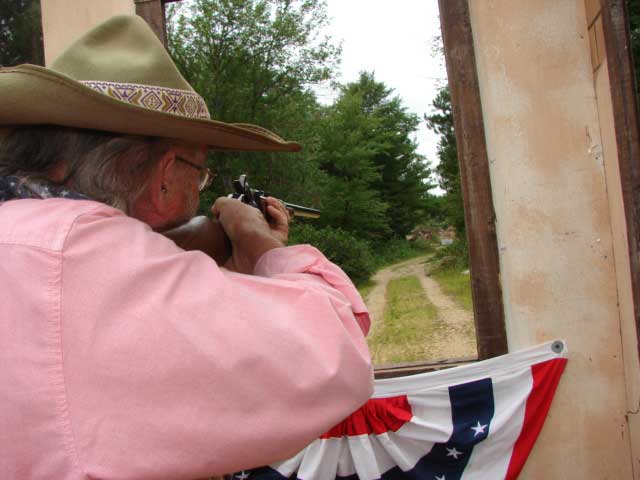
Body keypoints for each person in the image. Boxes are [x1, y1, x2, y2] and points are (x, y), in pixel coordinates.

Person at [0, 15, 373, 480]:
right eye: (198, 172)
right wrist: (257, 240)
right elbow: (336, 356)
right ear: (162, 178)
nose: (199, 188)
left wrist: (230, 271)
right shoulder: (90, 257)